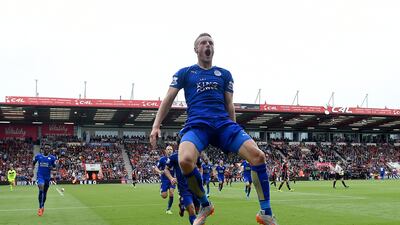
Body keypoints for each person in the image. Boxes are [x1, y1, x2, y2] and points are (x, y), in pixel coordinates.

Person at [150, 33, 278, 225]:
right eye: (203, 42)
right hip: (197, 125)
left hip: (223, 125)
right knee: (185, 161)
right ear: (196, 49)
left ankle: (266, 212)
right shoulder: (185, 73)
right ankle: (205, 204)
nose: (208, 45)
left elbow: (230, 104)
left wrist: (233, 127)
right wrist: (156, 125)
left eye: (211, 43)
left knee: (258, 156)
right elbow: (168, 99)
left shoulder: (224, 74)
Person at [165, 152, 201, 225]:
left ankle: (182, 205)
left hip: (195, 187)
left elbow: (200, 167)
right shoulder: (174, 157)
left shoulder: (195, 154)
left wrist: (200, 178)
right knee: (191, 209)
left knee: (197, 209)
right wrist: (171, 178)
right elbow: (166, 169)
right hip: (184, 189)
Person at [33, 147, 57, 216]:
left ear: (49, 150)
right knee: (41, 188)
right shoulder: (38, 156)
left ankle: (42, 206)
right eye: (45, 148)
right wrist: (32, 170)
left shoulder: (52, 158)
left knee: (45, 192)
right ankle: (40, 208)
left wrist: (52, 168)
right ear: (43, 150)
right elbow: (33, 163)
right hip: (40, 176)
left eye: (48, 148)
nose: (46, 149)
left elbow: (55, 167)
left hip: (47, 177)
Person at [154, 145, 176, 215]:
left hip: (172, 179)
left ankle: (168, 209)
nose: (169, 150)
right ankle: (161, 189)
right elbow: (156, 167)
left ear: (173, 151)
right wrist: (160, 172)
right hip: (164, 179)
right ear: (165, 151)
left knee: (172, 193)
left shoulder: (175, 159)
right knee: (164, 196)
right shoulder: (162, 159)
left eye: (171, 149)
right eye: (168, 149)